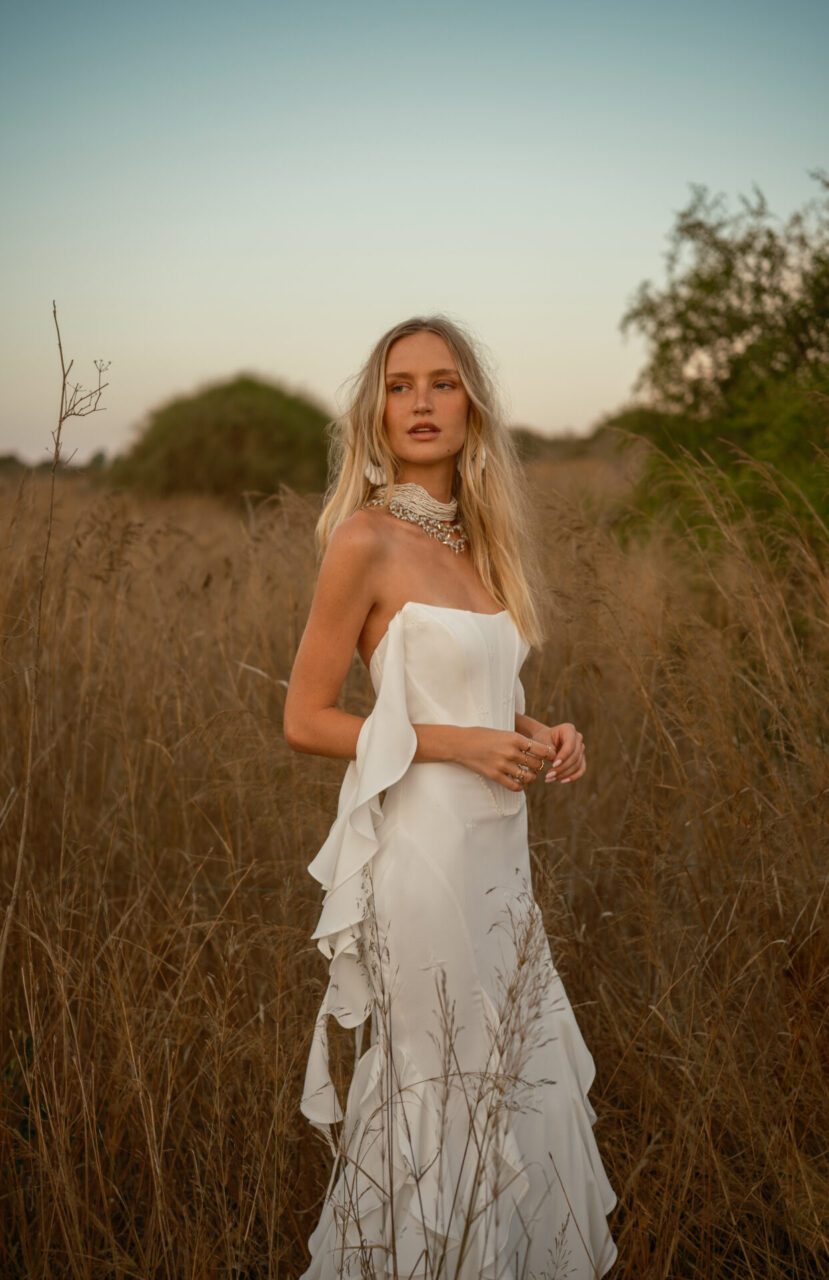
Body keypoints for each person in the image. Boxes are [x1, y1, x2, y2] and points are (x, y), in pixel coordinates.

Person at [283, 315, 618, 1278]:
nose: (421, 402)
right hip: (422, 856)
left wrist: (540, 733)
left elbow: (482, 704)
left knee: (518, 1076)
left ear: (471, 404)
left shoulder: (484, 552)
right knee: (437, 1079)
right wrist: (459, 744)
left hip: (499, 860)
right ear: (377, 413)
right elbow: (306, 719)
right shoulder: (364, 539)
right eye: (399, 386)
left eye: (440, 382)